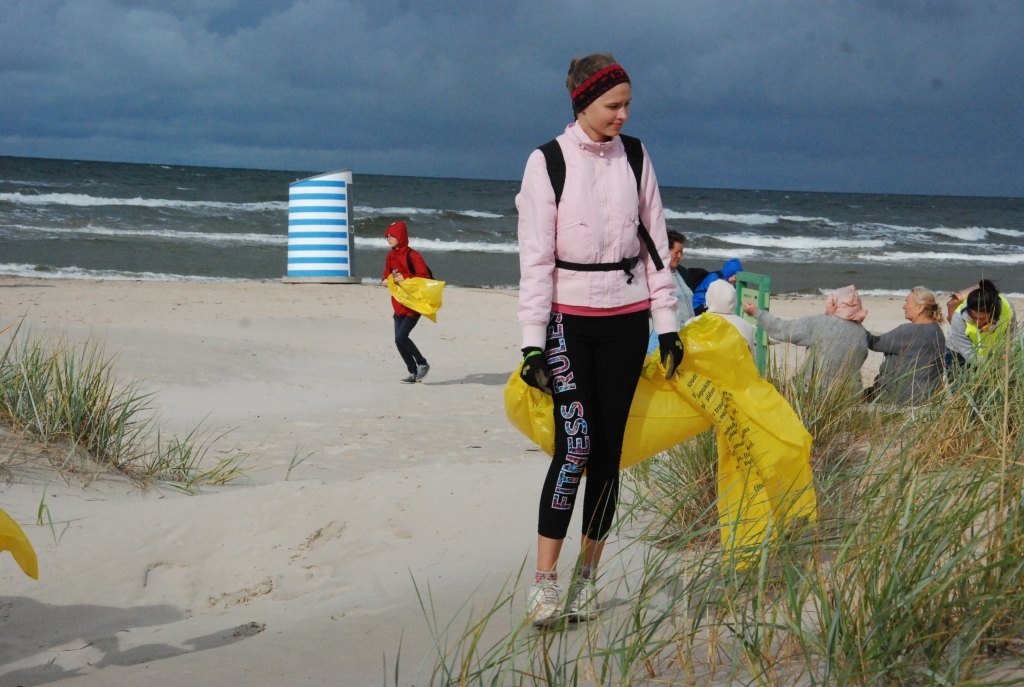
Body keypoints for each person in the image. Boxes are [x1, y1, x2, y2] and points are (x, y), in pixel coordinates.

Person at [516, 54, 682, 627]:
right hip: (567, 324)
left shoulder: (636, 156)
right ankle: (544, 585)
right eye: (614, 105)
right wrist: (531, 344)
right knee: (576, 447)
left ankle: (586, 581)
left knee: (608, 457)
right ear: (583, 102)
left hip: (627, 323)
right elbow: (535, 260)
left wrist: (668, 329)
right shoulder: (547, 163)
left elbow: (656, 247)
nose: (623, 114)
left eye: (627, 104)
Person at [742, 285, 869, 390]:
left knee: (772, 385)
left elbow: (782, 329)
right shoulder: (862, 333)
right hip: (851, 396)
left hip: (817, 391)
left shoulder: (821, 323)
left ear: (835, 303)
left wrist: (757, 313)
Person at [864, 287, 946, 404]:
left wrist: (855, 321)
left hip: (898, 399)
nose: (904, 306)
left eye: (907, 302)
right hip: (926, 397)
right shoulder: (936, 330)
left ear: (920, 308)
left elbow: (874, 343)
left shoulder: (910, 331)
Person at [381, 221, 430, 384]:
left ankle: (422, 363)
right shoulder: (390, 256)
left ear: (400, 237)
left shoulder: (413, 256)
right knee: (398, 340)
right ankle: (413, 372)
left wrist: (406, 278)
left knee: (402, 337)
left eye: (392, 236)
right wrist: (384, 280)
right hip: (398, 303)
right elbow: (387, 273)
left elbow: (424, 278)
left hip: (414, 304)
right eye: (387, 236)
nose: (388, 239)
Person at [945, 279, 1016, 367]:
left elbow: (1012, 334)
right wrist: (989, 366)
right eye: (973, 317)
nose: (977, 322)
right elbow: (967, 351)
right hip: (960, 353)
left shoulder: (1007, 307)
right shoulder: (959, 318)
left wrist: (1008, 353)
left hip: (993, 352)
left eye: (982, 318)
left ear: (993, 311)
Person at [705, 280, 755, 357]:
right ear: (734, 299)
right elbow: (751, 357)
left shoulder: (694, 322)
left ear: (708, 297)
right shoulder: (746, 326)